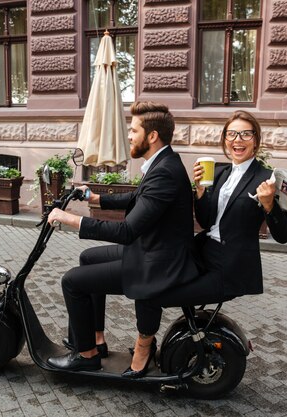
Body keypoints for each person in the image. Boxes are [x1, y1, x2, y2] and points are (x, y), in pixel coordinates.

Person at [46, 101, 199, 376]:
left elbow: (127, 231)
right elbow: (137, 198)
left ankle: (86, 356)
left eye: (133, 130)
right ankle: (96, 339)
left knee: (72, 282)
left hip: (157, 262)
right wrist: (95, 197)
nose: (129, 135)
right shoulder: (163, 162)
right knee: (87, 258)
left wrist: (71, 219)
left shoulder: (164, 171)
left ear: (151, 136)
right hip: (153, 251)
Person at [150, 110, 287, 308]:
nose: (238, 140)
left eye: (245, 134)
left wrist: (269, 205)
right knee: (150, 284)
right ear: (225, 139)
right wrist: (199, 191)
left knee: (161, 296)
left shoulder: (267, 178)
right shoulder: (219, 172)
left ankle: (146, 340)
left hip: (230, 268)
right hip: (202, 253)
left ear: (256, 140)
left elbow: (283, 236)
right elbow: (206, 222)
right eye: (231, 134)